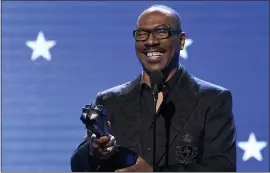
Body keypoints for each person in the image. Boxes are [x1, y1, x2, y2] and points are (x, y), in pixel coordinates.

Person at [70, 4, 236, 172]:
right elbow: (78, 166)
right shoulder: (110, 100)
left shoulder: (212, 99)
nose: (150, 41)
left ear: (181, 40)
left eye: (161, 32)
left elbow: (222, 168)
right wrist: (93, 152)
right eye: (142, 34)